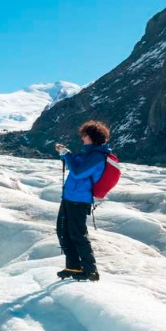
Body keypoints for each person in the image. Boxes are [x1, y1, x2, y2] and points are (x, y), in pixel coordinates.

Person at [54, 120, 111, 282]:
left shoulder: (97, 156)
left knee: (77, 234)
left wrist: (67, 154)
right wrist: (65, 153)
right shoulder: (88, 154)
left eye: (84, 135)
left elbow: (78, 173)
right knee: (64, 232)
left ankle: (91, 270)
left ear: (92, 137)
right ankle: (73, 266)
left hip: (79, 200)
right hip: (69, 198)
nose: (82, 138)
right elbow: (76, 166)